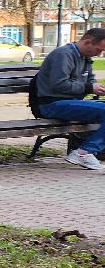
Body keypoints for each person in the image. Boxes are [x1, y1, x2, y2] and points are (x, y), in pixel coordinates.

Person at [31, 27, 105, 170]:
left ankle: (86, 151)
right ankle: (84, 152)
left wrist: (96, 87)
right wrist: (89, 88)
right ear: (87, 42)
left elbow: (90, 81)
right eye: (98, 49)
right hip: (51, 104)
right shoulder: (63, 54)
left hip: (70, 102)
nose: (99, 54)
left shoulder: (85, 58)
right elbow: (59, 84)